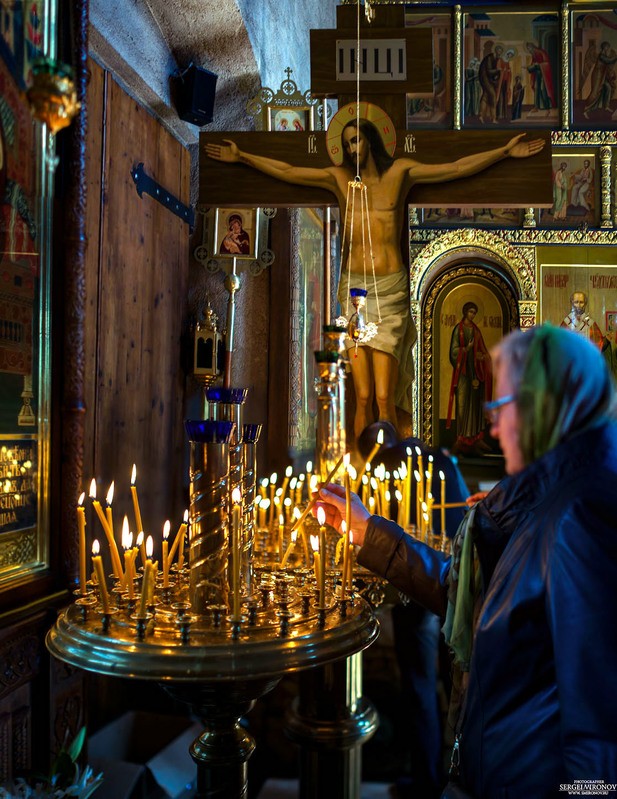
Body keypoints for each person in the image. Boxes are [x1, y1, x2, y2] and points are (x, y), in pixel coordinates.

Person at [317, 324, 617, 798]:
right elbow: (469, 595)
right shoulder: (538, 499)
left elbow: (599, 743)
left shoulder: (582, 514)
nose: (492, 428)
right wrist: (364, 530)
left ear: (543, 409)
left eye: (501, 408)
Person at [205, 123, 545, 441]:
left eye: (358, 140)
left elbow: (455, 168)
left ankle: (391, 467)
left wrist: (503, 152)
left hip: (391, 291)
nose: (353, 149)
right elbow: (290, 171)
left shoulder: (399, 172)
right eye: (347, 142)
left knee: (384, 395)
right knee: (362, 395)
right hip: (354, 288)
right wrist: (242, 157)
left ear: (372, 140)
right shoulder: (339, 179)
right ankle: (361, 473)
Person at [356, 421, 471, 799]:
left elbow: (382, 533)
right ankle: (459, 779)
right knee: (457, 682)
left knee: (421, 684)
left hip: (419, 583)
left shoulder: (383, 469)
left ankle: (426, 782)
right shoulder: (441, 459)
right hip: (459, 581)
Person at [446, 302, 492, 457]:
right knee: (462, 406)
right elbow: (453, 352)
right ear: (465, 312)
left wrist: (483, 357)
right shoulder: (458, 330)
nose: (472, 315)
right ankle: (461, 440)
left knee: (476, 406)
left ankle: (476, 439)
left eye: (474, 312)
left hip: (476, 375)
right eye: (470, 312)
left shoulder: (476, 331)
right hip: (463, 375)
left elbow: (483, 351)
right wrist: (466, 349)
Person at [584, 40, 617, 118]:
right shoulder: (601, 56)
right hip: (597, 76)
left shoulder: (604, 55)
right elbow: (609, 61)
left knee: (608, 88)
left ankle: (606, 106)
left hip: (602, 75)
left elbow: (609, 63)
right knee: (595, 93)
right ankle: (586, 110)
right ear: (604, 48)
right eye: (607, 48)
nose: (608, 50)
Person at [526, 41, 556, 114]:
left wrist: (538, 65)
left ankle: (547, 108)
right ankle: (536, 107)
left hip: (544, 75)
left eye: (529, 48)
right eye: (528, 49)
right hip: (538, 75)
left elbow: (547, 64)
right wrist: (530, 67)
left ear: (533, 47)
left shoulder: (542, 53)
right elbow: (533, 65)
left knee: (543, 90)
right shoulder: (534, 55)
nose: (529, 50)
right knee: (536, 89)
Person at [478, 44, 503, 124]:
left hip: (488, 80)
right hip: (485, 79)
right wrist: (498, 70)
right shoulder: (490, 58)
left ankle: (481, 116)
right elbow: (489, 71)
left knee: (485, 96)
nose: (499, 53)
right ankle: (493, 118)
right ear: (495, 50)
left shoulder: (496, 59)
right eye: (499, 51)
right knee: (492, 96)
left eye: (501, 52)